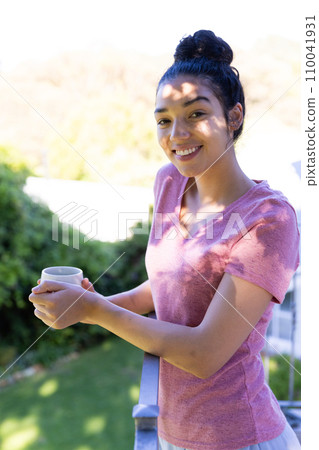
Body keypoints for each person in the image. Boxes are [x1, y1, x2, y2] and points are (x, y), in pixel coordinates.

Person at [29, 30, 301, 450]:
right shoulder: (170, 183)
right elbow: (167, 286)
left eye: (195, 114)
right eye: (163, 119)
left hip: (241, 438)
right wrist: (80, 309)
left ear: (234, 116)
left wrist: (97, 311)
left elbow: (205, 354)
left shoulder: (269, 220)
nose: (176, 134)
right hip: (173, 434)